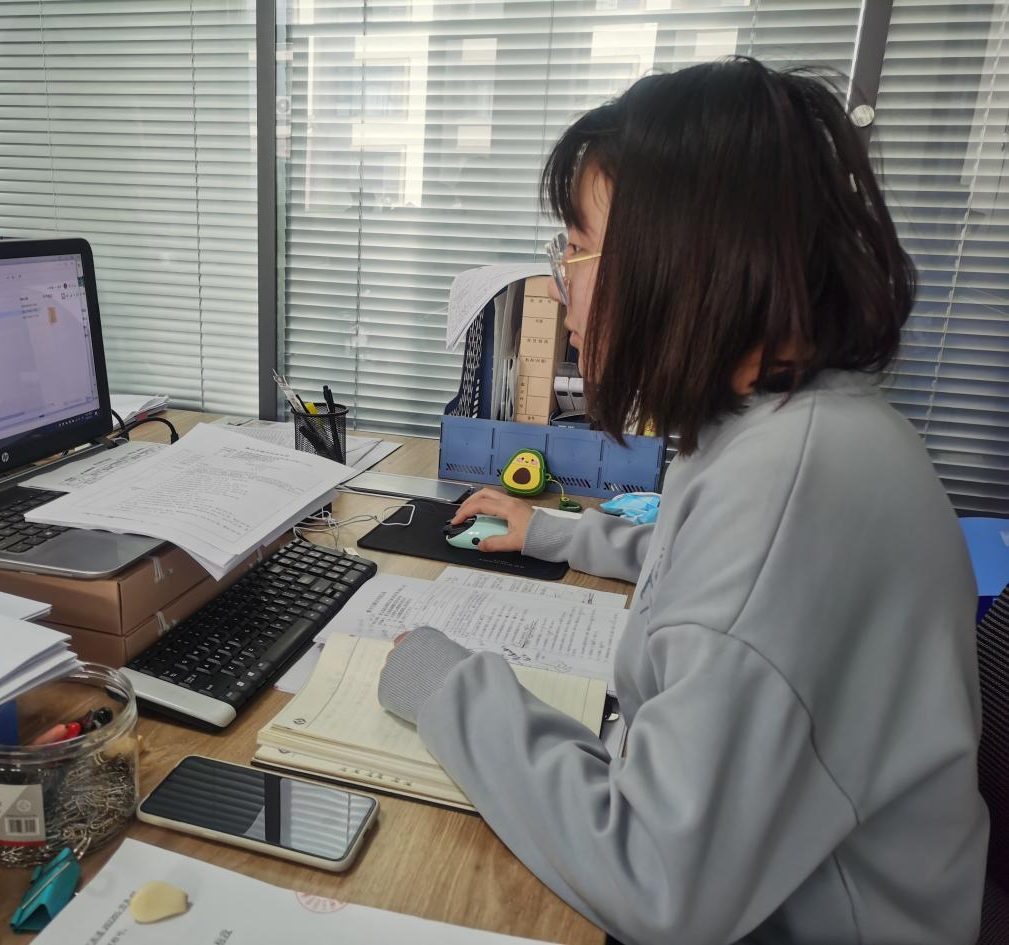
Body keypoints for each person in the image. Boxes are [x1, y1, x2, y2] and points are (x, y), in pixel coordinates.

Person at [377, 57, 988, 945]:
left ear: (682, 259)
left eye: (575, 248)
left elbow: (658, 880)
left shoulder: (794, 486)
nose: (560, 284)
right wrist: (557, 533)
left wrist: (446, 686)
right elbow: (704, 567)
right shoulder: (791, 427)